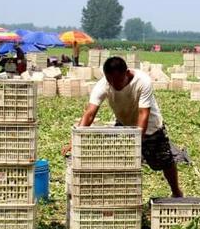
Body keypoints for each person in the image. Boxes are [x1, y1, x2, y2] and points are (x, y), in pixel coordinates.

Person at [74, 56, 183, 198]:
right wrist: (76, 138)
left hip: (150, 126)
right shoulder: (103, 85)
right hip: (124, 124)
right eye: (110, 80)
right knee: (121, 162)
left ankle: (176, 192)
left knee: (165, 161)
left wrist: (137, 141)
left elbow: (143, 113)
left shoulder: (143, 82)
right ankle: (123, 196)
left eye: (118, 80)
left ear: (127, 73)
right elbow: (89, 114)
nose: (114, 84)